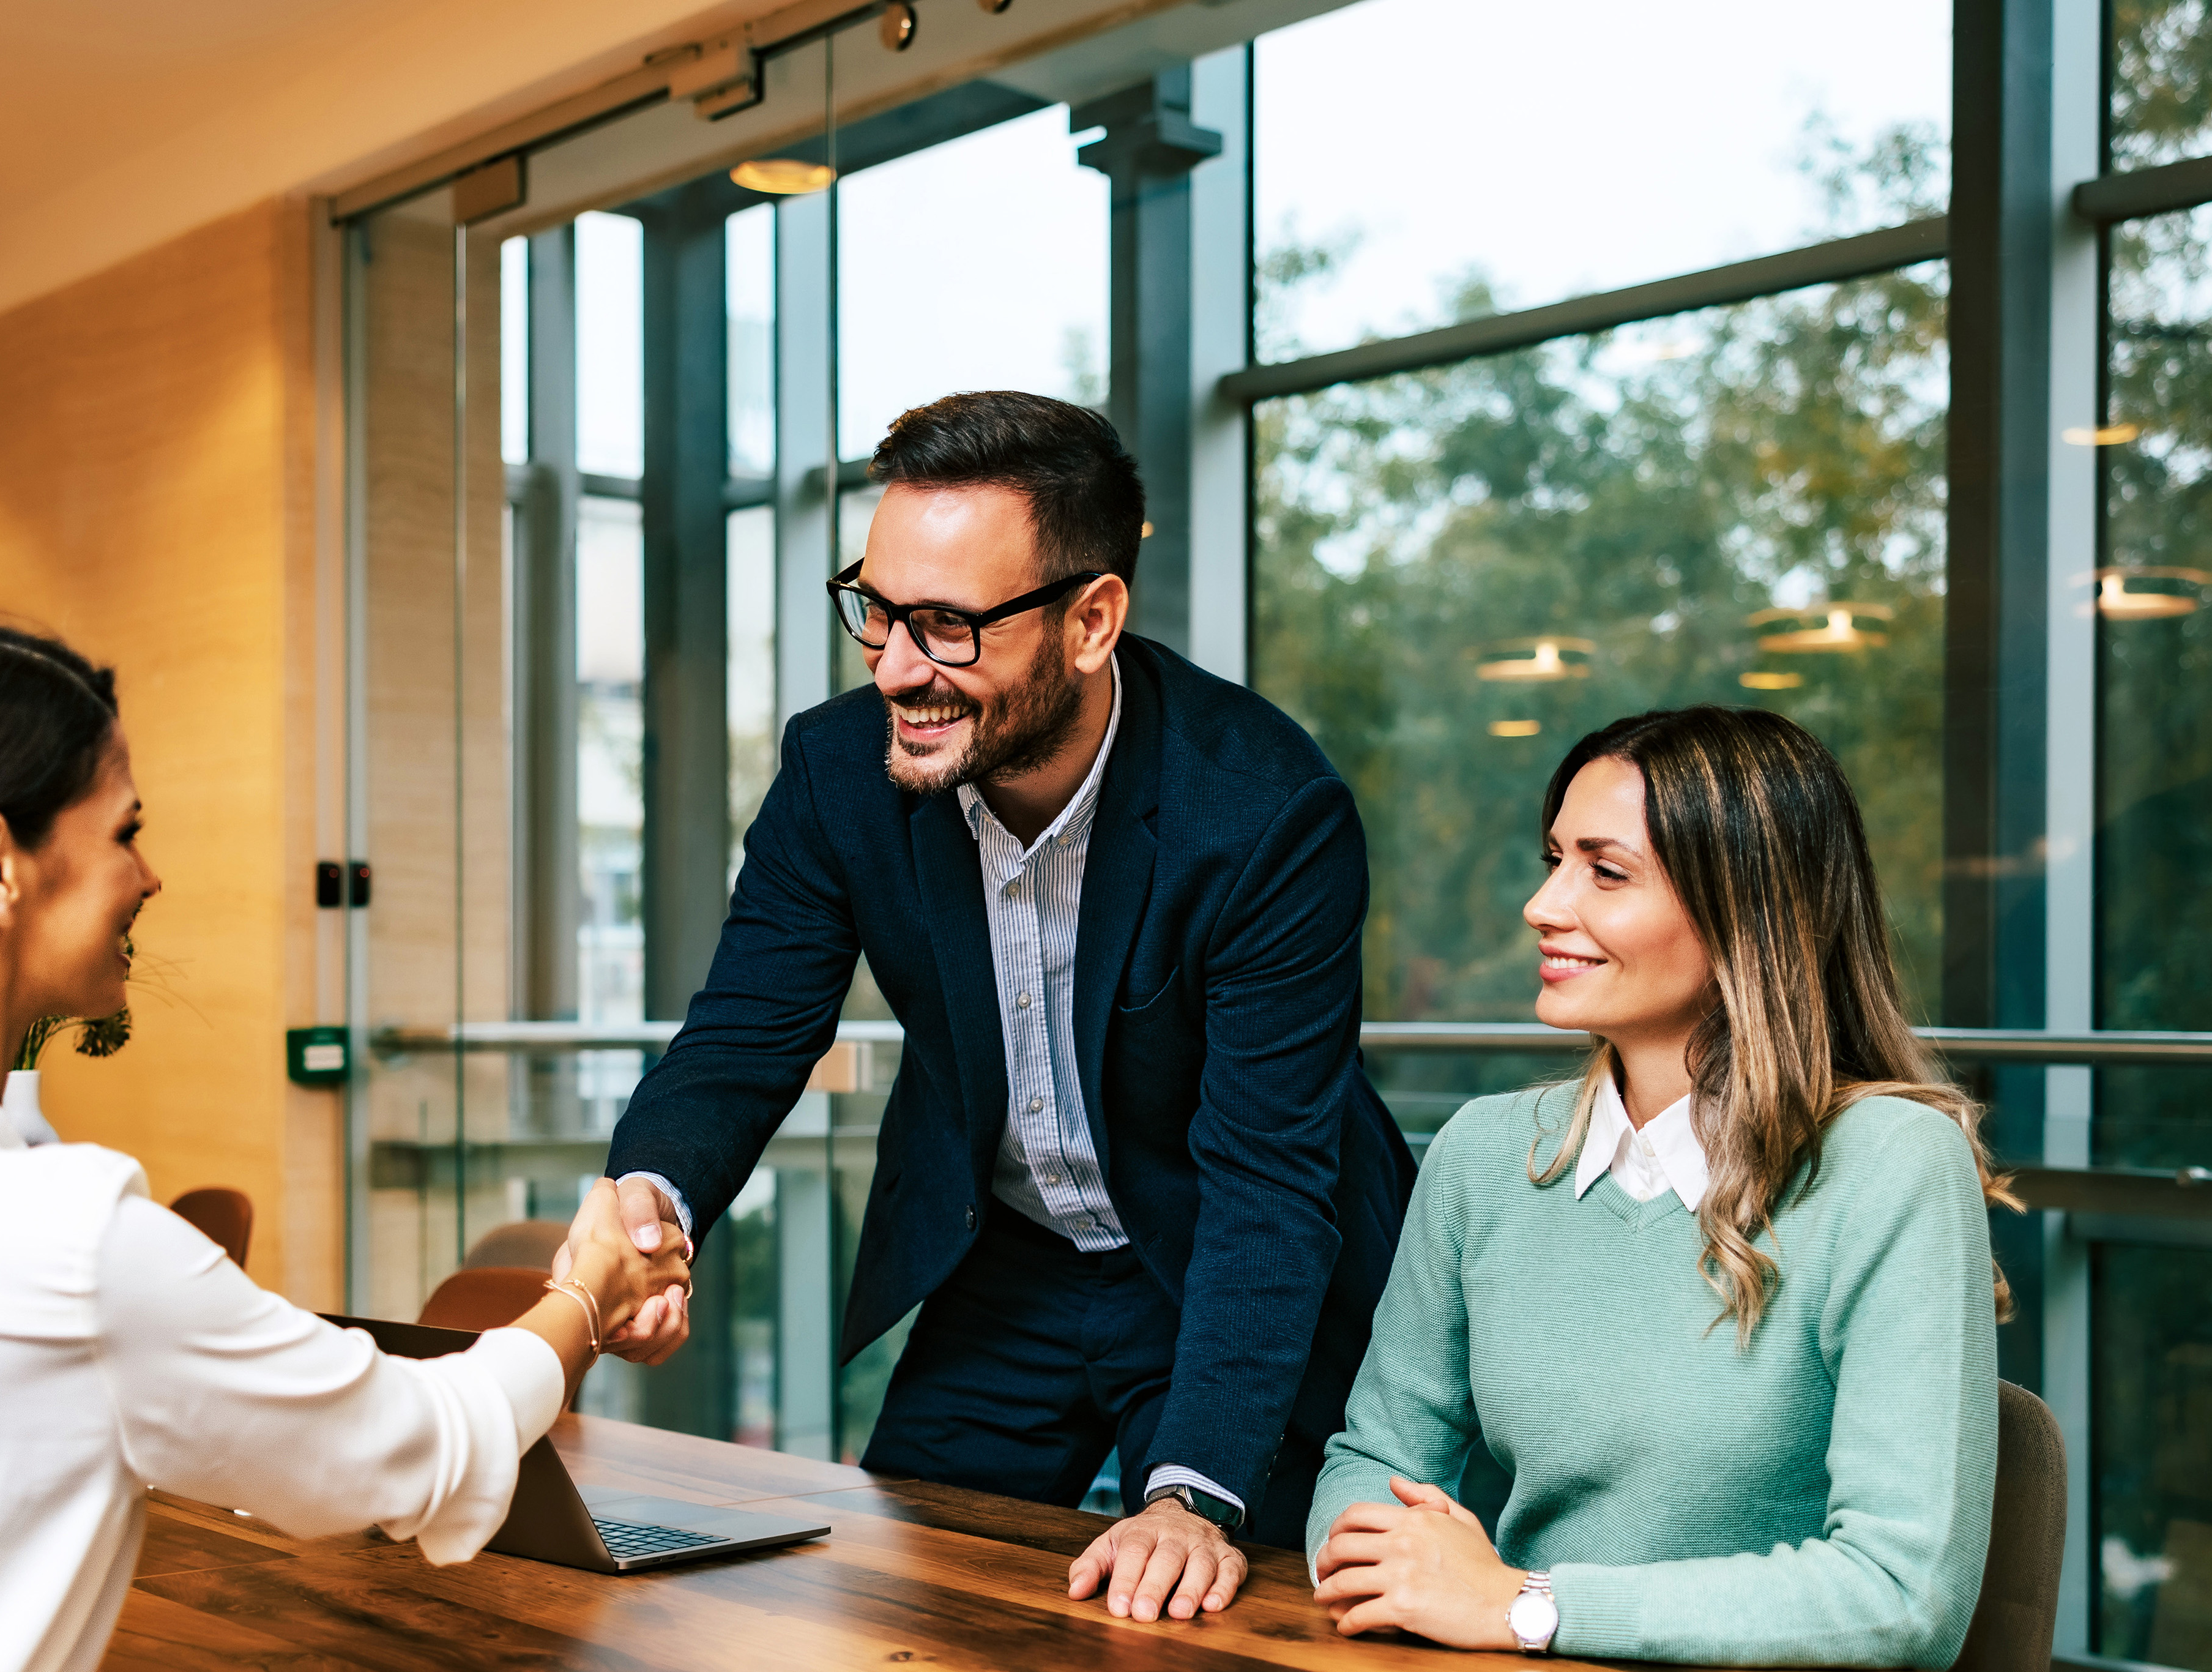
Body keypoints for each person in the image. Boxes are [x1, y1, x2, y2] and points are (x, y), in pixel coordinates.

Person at [0, 615, 690, 1671]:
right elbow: (427, 1448)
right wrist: (588, 1292)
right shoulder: (63, 1247)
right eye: (125, 831)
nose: (149, 877)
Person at [593, 390, 1417, 1622]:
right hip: (1010, 1259)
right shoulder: (836, 773)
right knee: (901, 1601)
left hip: (1214, 1263)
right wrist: (647, 1207)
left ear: (1091, 622)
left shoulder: (1263, 815)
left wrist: (1192, 1497)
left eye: (945, 625)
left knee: (1212, 1608)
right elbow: (745, 1030)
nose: (894, 667)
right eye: (876, 610)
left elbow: (1267, 1178)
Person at [1307, 705, 2011, 1666]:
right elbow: (1375, 1459)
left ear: (1742, 915)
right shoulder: (1482, 1155)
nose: (1543, 905)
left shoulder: (1894, 1165)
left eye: (1605, 872)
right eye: (1554, 859)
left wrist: (1528, 1606)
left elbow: (1902, 1596)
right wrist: (1391, 1566)